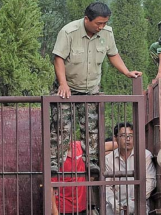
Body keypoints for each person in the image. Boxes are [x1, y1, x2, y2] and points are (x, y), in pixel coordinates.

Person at [50, 2, 142, 173]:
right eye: (98, 23)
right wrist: (63, 84)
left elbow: (113, 54)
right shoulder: (68, 31)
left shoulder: (107, 33)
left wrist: (126, 72)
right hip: (67, 87)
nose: (101, 27)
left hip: (91, 88)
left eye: (104, 23)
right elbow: (58, 58)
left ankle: (91, 162)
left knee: (92, 128)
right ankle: (55, 163)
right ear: (87, 19)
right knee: (61, 127)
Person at [51, 141, 89, 215]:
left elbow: (109, 144)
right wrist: (55, 213)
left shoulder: (79, 146)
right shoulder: (53, 156)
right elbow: (50, 186)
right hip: (62, 211)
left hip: (81, 210)